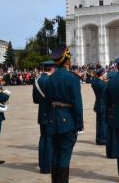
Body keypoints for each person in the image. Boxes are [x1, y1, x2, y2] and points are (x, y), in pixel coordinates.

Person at [44, 45, 83, 183]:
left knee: (55, 155)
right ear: (67, 60)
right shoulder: (72, 78)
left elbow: (47, 102)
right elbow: (77, 104)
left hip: (52, 120)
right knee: (65, 156)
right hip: (68, 121)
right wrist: (80, 125)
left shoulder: (50, 78)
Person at [33, 60, 56, 174]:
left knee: (42, 138)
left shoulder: (37, 80)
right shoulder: (51, 80)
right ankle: (47, 167)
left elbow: (35, 100)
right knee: (49, 140)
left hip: (41, 112)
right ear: (52, 68)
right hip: (51, 113)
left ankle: (42, 163)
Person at [91, 68, 108, 146]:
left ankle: (98, 138)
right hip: (103, 104)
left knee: (99, 122)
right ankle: (103, 139)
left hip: (97, 103)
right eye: (104, 74)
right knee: (103, 123)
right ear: (102, 74)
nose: (106, 75)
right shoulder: (104, 84)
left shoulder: (94, 83)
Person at [104, 70, 118, 159]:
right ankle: (113, 153)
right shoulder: (115, 87)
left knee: (109, 133)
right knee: (114, 134)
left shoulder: (106, 87)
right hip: (115, 111)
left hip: (108, 111)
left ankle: (109, 152)